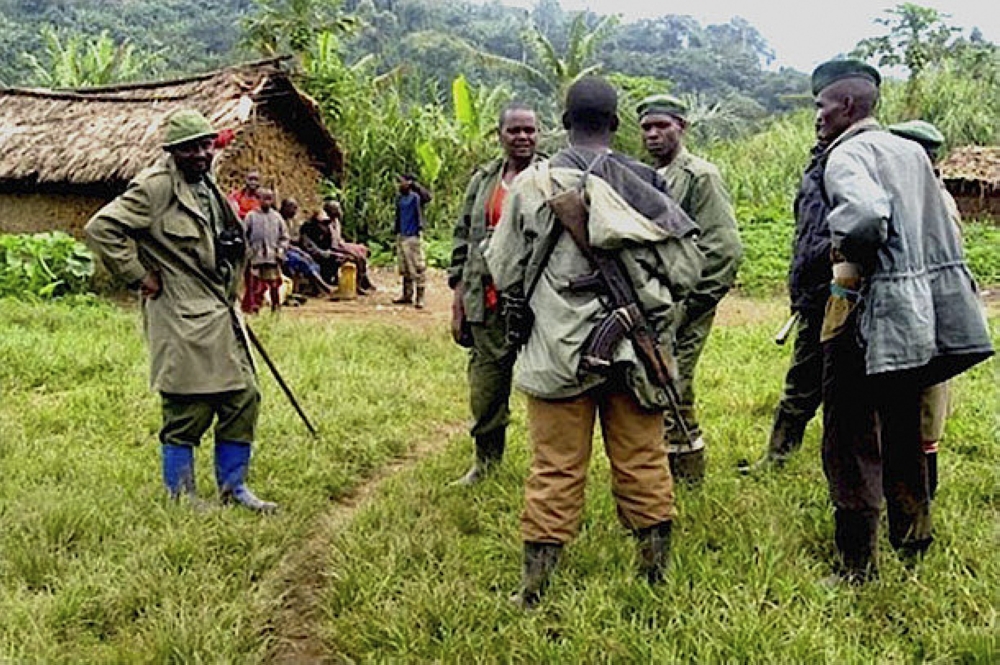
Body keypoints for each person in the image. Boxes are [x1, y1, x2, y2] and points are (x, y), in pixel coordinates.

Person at [485, 77, 704, 607]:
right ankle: (653, 578)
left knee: (554, 466)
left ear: (563, 123)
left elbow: (505, 269)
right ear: (615, 124)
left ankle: (534, 588)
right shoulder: (645, 182)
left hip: (557, 353)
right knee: (644, 460)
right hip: (636, 354)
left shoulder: (531, 185)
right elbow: (687, 269)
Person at [810, 60, 992, 582]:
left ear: (845, 106)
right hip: (918, 317)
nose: (817, 116)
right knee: (904, 428)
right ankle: (914, 536)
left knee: (849, 439)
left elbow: (865, 219)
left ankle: (856, 564)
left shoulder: (846, 154)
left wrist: (848, 258)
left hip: (868, 312)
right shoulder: (912, 152)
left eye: (821, 106)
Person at [84, 109, 277, 512]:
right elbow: (102, 228)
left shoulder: (207, 184)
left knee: (244, 397)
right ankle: (181, 496)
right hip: (181, 313)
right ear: (174, 152)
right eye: (191, 149)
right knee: (189, 407)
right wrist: (139, 275)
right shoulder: (154, 188)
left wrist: (228, 248)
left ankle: (234, 489)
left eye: (207, 145)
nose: (202, 154)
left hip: (220, 310)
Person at [637, 94, 743, 483]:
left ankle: (686, 469)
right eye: (646, 127)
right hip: (653, 300)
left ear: (682, 127)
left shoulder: (700, 176)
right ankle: (660, 462)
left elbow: (724, 247)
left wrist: (693, 300)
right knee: (653, 378)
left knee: (673, 380)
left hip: (685, 299)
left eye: (661, 125)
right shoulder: (646, 177)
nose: (653, 134)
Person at [448, 101, 542, 486]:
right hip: (486, 300)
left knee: (548, 384)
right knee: (486, 386)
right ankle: (486, 461)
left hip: (539, 300)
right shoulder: (484, 180)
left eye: (529, 130)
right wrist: (458, 296)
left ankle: (551, 467)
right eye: (514, 131)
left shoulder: (553, 175)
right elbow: (462, 239)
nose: (522, 137)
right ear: (499, 135)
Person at [739, 139, 832, 474]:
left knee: (833, 389)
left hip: (840, 296)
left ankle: (843, 470)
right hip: (813, 296)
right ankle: (778, 456)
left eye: (827, 108)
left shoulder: (850, 161)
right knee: (801, 383)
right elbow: (807, 234)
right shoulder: (816, 167)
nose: (820, 118)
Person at [887, 119, 962, 500]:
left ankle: (919, 502)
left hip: (928, 318)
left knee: (924, 417)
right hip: (909, 316)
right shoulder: (911, 194)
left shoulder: (936, 203)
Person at [244, 188, 290, 313]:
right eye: (264, 198)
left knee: (274, 284)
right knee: (255, 285)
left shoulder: (277, 217)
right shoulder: (251, 217)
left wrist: (280, 250)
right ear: (258, 200)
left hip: (272, 257)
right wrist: (248, 251)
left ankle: (276, 307)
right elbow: (244, 236)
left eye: (270, 199)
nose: (267, 202)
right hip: (255, 257)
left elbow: (285, 237)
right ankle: (254, 308)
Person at [279, 197, 335, 298]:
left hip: (292, 249)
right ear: (284, 208)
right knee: (303, 262)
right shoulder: (279, 220)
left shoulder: (292, 221)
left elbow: (295, 239)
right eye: (292, 208)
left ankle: (319, 289)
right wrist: (298, 249)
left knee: (311, 261)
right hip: (282, 251)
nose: (294, 211)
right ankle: (325, 288)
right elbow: (284, 242)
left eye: (296, 208)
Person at [393, 174, 432, 308]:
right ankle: (407, 295)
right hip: (402, 235)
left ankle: (420, 297)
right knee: (404, 267)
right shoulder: (400, 199)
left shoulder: (416, 198)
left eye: (401, 182)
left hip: (413, 236)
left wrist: (415, 185)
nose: (399, 185)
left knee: (417, 266)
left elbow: (427, 197)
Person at [322, 199, 376, 293]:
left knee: (362, 250)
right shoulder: (325, 224)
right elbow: (331, 244)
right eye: (336, 209)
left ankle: (364, 281)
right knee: (356, 257)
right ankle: (358, 284)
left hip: (339, 244)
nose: (339, 210)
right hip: (333, 248)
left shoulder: (336, 221)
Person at [299, 209, 344, 286]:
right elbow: (310, 249)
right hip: (310, 255)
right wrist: (330, 254)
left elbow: (329, 246)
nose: (326, 226)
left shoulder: (325, 232)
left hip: (323, 254)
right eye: (324, 223)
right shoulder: (307, 230)